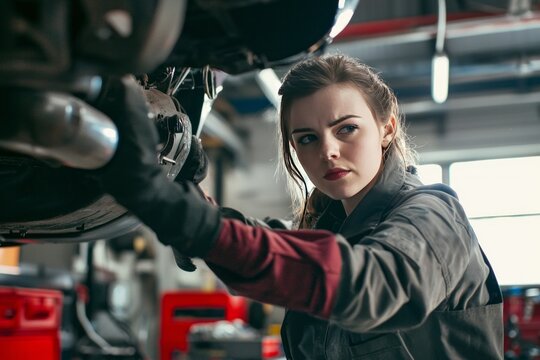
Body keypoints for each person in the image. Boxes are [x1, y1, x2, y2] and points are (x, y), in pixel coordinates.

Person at [94, 54, 503, 359]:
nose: (327, 151)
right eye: (306, 138)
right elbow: (281, 251)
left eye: (346, 129)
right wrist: (190, 202)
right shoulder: (330, 231)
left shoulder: (435, 214)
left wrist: (191, 220)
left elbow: (373, 283)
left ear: (387, 127)